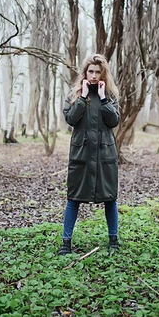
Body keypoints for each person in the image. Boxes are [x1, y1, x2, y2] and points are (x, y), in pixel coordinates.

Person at [58, 54, 121, 255]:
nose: (94, 76)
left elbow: (114, 121)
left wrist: (102, 99)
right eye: (90, 71)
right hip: (81, 154)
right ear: (85, 73)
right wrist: (83, 97)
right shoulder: (74, 94)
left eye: (97, 72)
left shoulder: (110, 95)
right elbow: (70, 118)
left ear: (104, 73)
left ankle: (114, 241)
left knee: (110, 198)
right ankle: (66, 243)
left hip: (104, 154)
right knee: (73, 197)